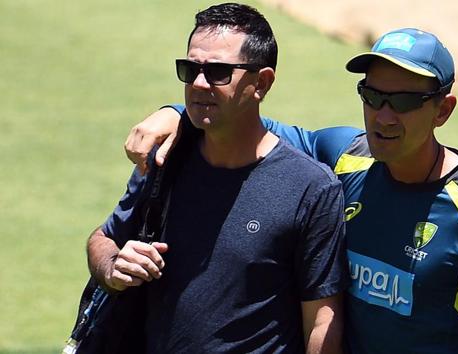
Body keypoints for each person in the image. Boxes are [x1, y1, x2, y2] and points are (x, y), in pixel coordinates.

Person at [126, 27, 458, 353]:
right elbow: (248, 127)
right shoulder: (344, 156)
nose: (383, 116)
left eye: (403, 102)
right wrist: (175, 112)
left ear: (443, 110)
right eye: (372, 95)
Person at [87, 3, 347, 353]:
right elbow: (103, 238)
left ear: (262, 83)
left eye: (218, 73)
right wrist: (113, 267)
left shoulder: (311, 188)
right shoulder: (166, 159)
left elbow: (321, 320)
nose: (198, 83)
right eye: (190, 69)